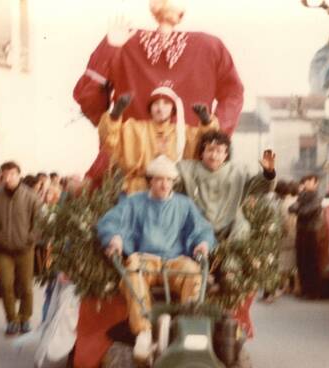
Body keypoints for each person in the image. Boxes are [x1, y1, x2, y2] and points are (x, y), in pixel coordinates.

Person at [73, 0, 244, 188]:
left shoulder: (124, 42)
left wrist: (114, 128)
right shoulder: (210, 46)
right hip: (190, 172)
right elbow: (233, 95)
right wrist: (211, 137)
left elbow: (88, 96)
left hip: (128, 171)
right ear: (181, 13)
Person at [97, 155, 216, 362]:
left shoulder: (184, 204)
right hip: (146, 259)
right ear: (150, 180)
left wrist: (203, 243)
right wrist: (114, 238)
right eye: (160, 179)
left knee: (194, 272)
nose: (164, 184)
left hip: (175, 261)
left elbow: (202, 228)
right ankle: (143, 332)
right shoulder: (134, 202)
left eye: (169, 180)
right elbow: (110, 221)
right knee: (132, 268)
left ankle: (186, 325)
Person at [101, 89, 218, 194]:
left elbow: (208, 144)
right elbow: (110, 140)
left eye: (166, 104)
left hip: (173, 191)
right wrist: (115, 114)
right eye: (156, 104)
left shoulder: (183, 133)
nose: (160, 108)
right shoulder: (135, 129)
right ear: (150, 109)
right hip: (139, 191)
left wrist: (206, 121)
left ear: (173, 109)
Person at [177, 131, 274, 241]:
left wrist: (268, 172)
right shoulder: (187, 169)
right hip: (198, 225)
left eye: (219, 151)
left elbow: (260, 186)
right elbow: (170, 183)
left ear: (225, 155)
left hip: (229, 224)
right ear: (202, 152)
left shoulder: (238, 172)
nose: (213, 156)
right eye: (210, 150)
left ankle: (231, 255)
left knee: (242, 226)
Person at [0, 162, 42, 335]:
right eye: (5, 175)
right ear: (2, 176)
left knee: (25, 286)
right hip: (4, 250)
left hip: (25, 249)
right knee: (5, 285)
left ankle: (25, 318)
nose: (8, 178)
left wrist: (30, 239)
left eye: (12, 174)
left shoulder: (31, 197)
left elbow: (39, 223)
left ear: (19, 175)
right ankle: (12, 320)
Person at [288, 174, 322, 299]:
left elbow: (307, 211)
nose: (307, 183)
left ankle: (313, 291)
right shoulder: (302, 195)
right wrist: (300, 208)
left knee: (311, 262)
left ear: (315, 183)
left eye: (310, 181)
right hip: (301, 230)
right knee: (301, 261)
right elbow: (291, 208)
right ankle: (304, 289)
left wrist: (299, 208)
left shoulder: (317, 196)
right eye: (306, 181)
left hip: (311, 231)